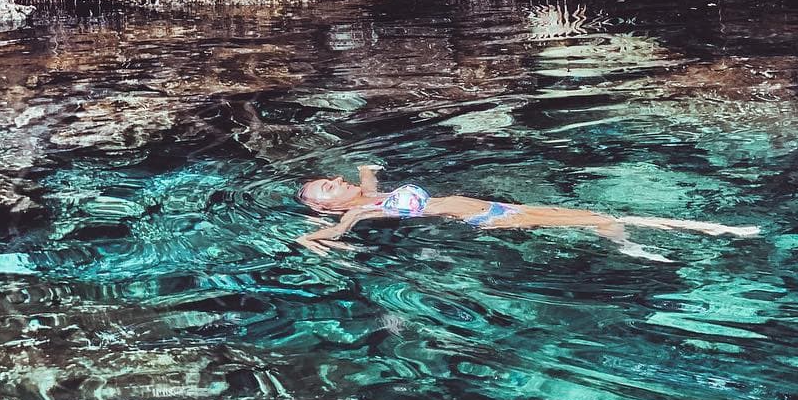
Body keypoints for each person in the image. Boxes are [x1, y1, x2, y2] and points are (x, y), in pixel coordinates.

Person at [295, 164, 759, 257]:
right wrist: (310, 239)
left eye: (332, 177)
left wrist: (365, 169)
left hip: (500, 207)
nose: (337, 181)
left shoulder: (367, 196)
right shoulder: (357, 215)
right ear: (321, 205)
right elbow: (329, 233)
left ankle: (712, 228)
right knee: (600, 219)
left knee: (598, 213)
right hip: (489, 219)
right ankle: (630, 249)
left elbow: (369, 181)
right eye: (327, 188)